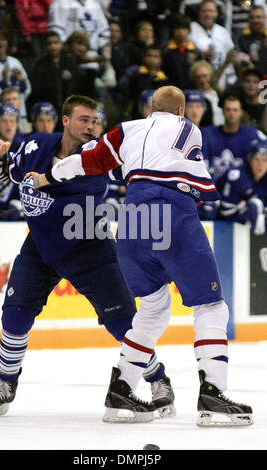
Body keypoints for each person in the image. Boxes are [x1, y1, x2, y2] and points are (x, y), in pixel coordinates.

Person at [28, 86, 253, 427]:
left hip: (132, 217)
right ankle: (213, 394)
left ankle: (121, 391)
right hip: (171, 210)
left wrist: (47, 176)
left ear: (150, 109)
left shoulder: (126, 130)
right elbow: (200, 182)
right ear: (181, 109)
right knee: (211, 305)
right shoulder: (188, 127)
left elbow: (85, 161)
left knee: (152, 309)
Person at [0, 94, 175, 420]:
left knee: (123, 324)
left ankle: (158, 379)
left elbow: (122, 172)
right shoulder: (36, 146)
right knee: (14, 316)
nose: (91, 126)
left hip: (89, 248)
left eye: (95, 121)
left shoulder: (97, 157)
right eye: (84, 119)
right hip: (40, 245)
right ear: (65, 120)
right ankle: (5, 383)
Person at [201, 95, 266, 179]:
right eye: (228, 110)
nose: (231, 113)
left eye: (235, 110)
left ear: (241, 112)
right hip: (212, 186)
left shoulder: (252, 135)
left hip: (241, 187)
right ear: (223, 111)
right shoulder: (207, 133)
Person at [216, 139, 267, 235]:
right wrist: (247, 215)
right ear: (250, 159)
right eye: (257, 159)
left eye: (265, 160)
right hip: (224, 226)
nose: (261, 165)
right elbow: (226, 213)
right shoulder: (237, 176)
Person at [189, 0, 237, 91]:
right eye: (204, 11)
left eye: (211, 11)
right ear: (199, 12)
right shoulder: (191, 29)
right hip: (199, 80)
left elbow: (230, 54)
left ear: (216, 13)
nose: (208, 14)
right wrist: (201, 54)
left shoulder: (223, 31)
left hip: (221, 79)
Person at [161, 13, 202, 90]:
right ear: (172, 30)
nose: (181, 32)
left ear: (189, 30)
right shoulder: (165, 50)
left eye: (184, 28)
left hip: (191, 91)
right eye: (177, 28)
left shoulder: (196, 51)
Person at [237, 5, 267, 79]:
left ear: (264, 18)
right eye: (252, 17)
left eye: (258, 17)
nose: (255, 20)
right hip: (249, 80)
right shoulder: (242, 37)